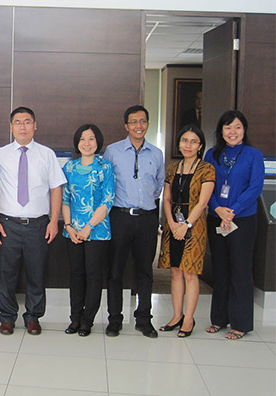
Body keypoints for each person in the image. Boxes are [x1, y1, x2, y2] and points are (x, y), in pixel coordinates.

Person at [0, 106, 66, 336]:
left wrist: (54, 221)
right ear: (11, 127)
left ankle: (33, 317)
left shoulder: (47, 154)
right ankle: (7, 318)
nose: (22, 126)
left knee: (37, 273)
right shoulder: (0, 154)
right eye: (17, 122)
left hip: (38, 225)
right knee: (6, 274)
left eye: (27, 122)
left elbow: (56, 189)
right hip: (7, 223)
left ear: (35, 125)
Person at [103, 105, 164, 338]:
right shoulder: (113, 151)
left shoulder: (156, 153)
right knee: (115, 270)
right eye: (134, 122)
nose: (139, 126)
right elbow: (107, 181)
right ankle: (114, 319)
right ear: (126, 125)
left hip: (147, 218)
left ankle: (143, 319)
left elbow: (158, 185)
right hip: (119, 217)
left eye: (143, 121)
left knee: (145, 272)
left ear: (147, 124)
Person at [204, 110, 264, 340]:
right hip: (216, 218)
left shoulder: (253, 155)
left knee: (240, 270)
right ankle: (219, 319)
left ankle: (240, 323)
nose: (233, 132)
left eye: (237, 127)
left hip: (243, 219)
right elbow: (206, 185)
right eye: (228, 127)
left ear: (244, 130)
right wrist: (217, 208)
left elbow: (255, 187)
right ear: (221, 131)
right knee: (220, 269)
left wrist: (233, 210)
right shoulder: (212, 154)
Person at [158, 125, 215, 338]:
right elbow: (167, 198)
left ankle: (189, 319)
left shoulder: (206, 169)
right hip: (173, 225)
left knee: (190, 273)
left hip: (194, 226)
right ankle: (176, 315)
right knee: (175, 271)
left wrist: (186, 225)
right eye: (184, 140)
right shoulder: (173, 168)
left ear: (200, 146)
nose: (188, 145)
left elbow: (202, 202)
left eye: (193, 141)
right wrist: (172, 224)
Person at [61, 124, 114, 337]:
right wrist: (69, 226)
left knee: (93, 276)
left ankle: (87, 320)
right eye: (82, 139)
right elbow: (64, 199)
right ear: (77, 142)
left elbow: (107, 200)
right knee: (76, 275)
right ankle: (75, 318)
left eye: (91, 139)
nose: (87, 143)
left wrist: (88, 227)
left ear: (98, 142)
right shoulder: (69, 168)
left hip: (97, 230)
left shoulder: (105, 167)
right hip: (72, 231)